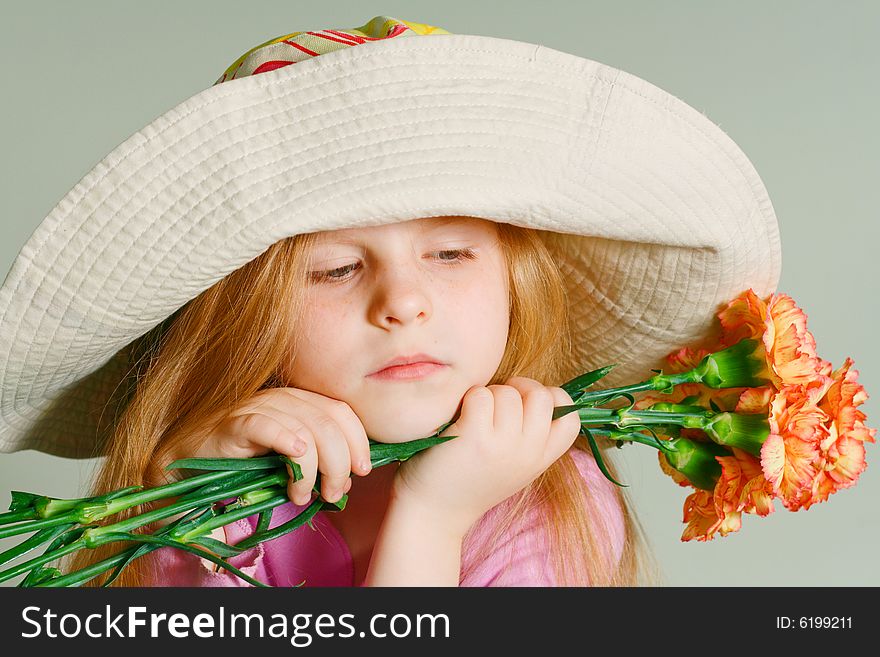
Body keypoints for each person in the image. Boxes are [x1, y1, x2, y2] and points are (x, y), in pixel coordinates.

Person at [0, 16, 782, 587]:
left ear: (516, 281)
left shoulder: (542, 498)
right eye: (336, 269)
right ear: (249, 324)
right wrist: (178, 490)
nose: (403, 301)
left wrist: (434, 515)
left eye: (448, 253)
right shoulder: (222, 476)